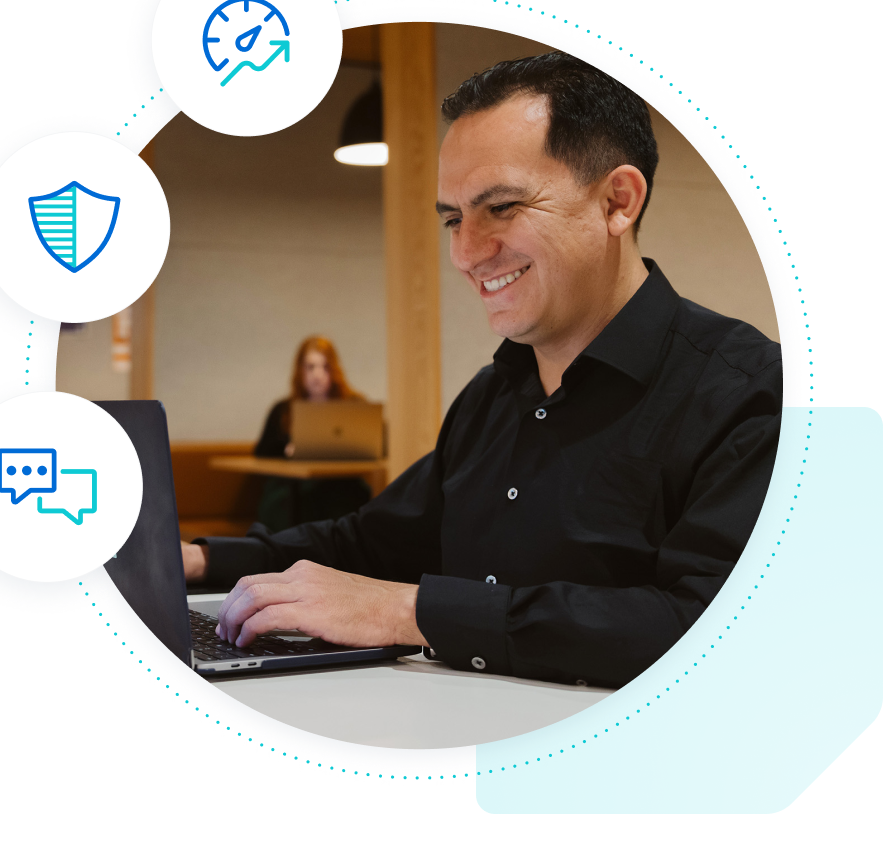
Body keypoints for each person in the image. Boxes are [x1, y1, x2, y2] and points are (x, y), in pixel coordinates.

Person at [181, 51, 782, 689]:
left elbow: (709, 625)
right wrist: (197, 560)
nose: (465, 253)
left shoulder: (748, 392)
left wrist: (409, 611)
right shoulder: (492, 397)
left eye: (501, 208)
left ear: (617, 201)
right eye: (452, 218)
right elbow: (370, 541)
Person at [251, 337, 371, 531]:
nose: (317, 375)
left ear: (334, 370)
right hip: (293, 487)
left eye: (325, 367)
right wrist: (287, 450)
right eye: (311, 367)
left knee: (348, 496)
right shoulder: (283, 410)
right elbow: (262, 453)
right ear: (300, 370)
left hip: (340, 485)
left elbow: (370, 445)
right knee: (288, 500)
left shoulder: (354, 406)